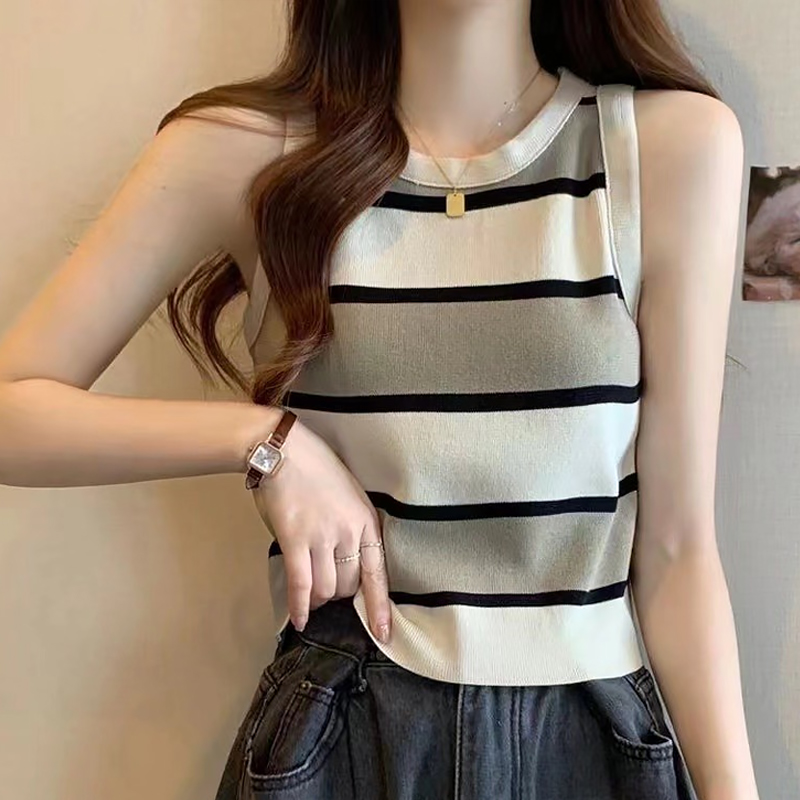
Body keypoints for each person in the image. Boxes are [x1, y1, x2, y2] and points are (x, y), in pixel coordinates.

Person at [0, 1, 759, 799]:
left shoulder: (665, 148)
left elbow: (677, 552)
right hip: (344, 736)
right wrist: (266, 442)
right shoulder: (251, 155)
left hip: (591, 741)